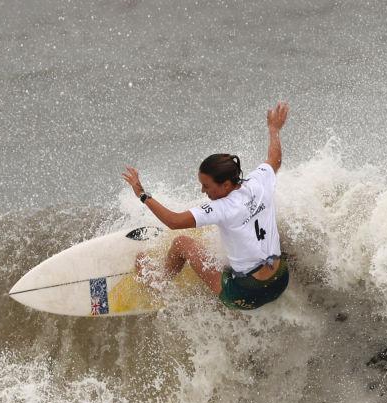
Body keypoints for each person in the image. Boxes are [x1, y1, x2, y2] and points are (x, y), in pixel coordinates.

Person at [121, 101, 290, 310]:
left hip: (247, 295)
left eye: (206, 186)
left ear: (226, 184)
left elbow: (174, 222)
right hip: (280, 281)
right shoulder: (259, 182)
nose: (203, 191)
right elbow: (275, 159)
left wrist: (143, 195)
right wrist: (274, 129)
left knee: (182, 242)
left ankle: (157, 281)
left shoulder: (223, 208)